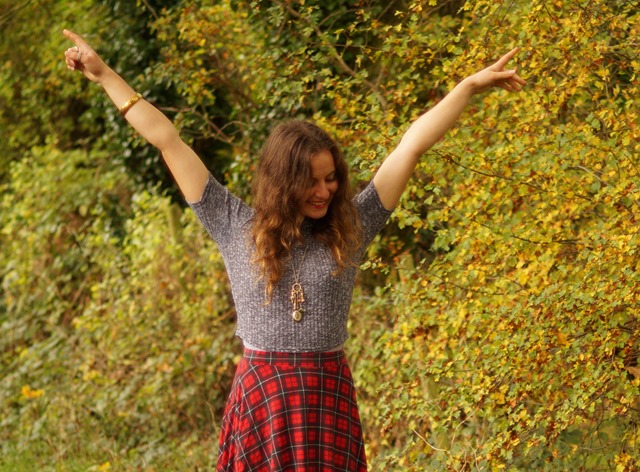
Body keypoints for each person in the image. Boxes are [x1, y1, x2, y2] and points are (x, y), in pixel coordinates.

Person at [63, 27, 524, 471]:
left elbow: (410, 147)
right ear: (284, 182)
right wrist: (104, 75)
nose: (325, 190)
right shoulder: (233, 223)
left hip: (327, 394)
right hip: (262, 395)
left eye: (331, 178)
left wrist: (467, 87)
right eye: (311, 181)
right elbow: (167, 140)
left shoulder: (353, 225)